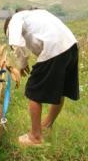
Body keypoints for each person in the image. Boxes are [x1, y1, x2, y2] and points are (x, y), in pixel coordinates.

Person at [4, 8, 79, 147]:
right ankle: (46, 125)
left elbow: (16, 42)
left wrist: (22, 63)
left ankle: (35, 137)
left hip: (54, 49)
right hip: (71, 46)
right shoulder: (39, 14)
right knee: (59, 88)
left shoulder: (15, 19)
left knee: (34, 92)